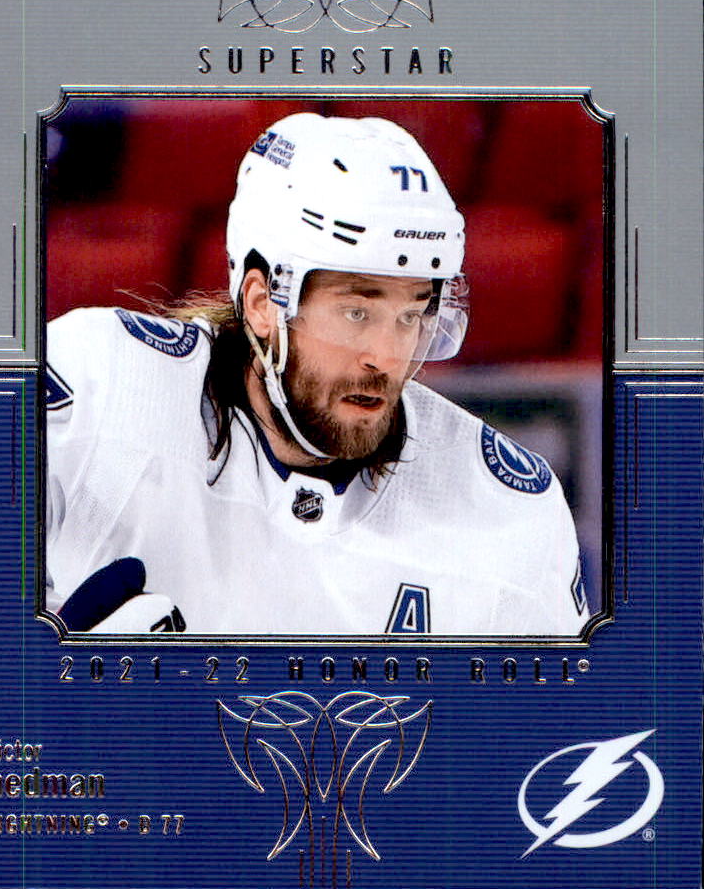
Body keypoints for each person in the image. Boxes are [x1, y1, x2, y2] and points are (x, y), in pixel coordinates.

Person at [45, 112, 588, 636]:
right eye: (356, 313)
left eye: (410, 315)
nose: (386, 357)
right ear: (262, 304)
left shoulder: (505, 511)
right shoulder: (101, 389)